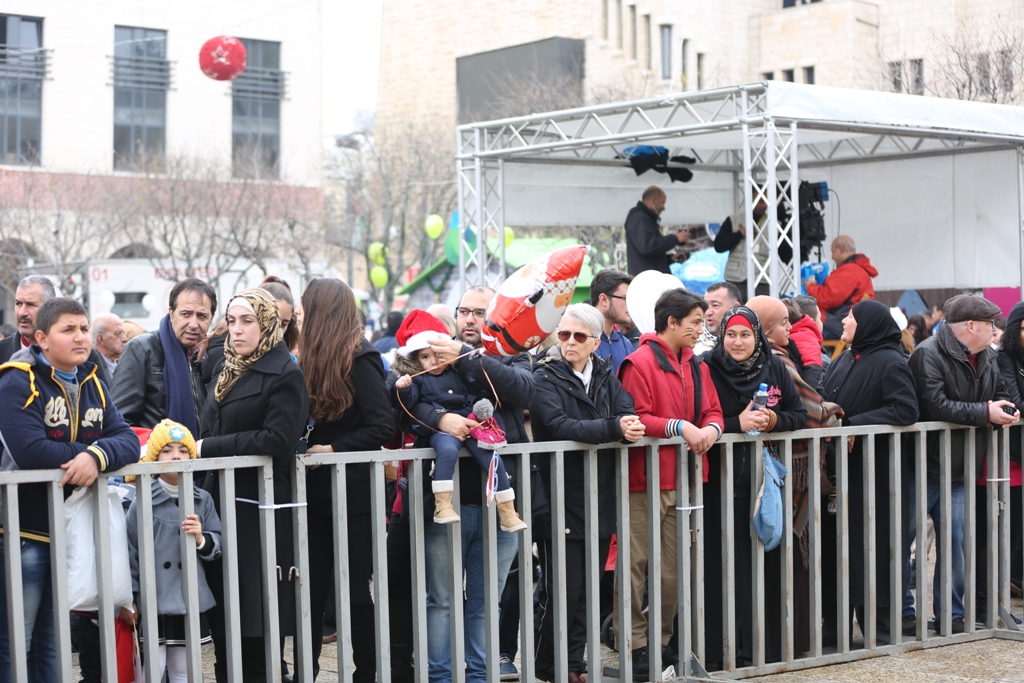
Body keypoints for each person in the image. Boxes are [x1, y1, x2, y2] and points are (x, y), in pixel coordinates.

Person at [0, 297, 138, 681]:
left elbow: (126, 439)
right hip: (24, 530)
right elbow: (30, 451)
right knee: (17, 640)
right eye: (68, 330)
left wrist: (95, 456)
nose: (81, 337)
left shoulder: (92, 377)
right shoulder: (16, 378)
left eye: (83, 328)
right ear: (42, 338)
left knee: (54, 638)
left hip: (72, 528)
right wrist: (91, 454)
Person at [529, 304, 645, 682]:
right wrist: (615, 427)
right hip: (558, 495)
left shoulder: (606, 375)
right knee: (560, 591)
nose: (569, 342)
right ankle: (550, 667)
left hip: (598, 495)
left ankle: (574, 665)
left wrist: (626, 425)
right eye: (563, 334)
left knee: (585, 592)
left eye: (579, 336)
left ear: (596, 341)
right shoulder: (544, 376)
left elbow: (627, 412)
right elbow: (560, 424)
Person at [199, 288, 309, 682]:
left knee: (257, 620)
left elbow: (277, 439)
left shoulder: (285, 371)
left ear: (267, 324)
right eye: (231, 321)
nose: (237, 330)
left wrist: (206, 448)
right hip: (219, 503)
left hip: (259, 509)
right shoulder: (226, 368)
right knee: (226, 621)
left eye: (247, 321)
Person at [616, 288, 724, 679]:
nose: (701, 328)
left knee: (672, 571)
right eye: (695, 322)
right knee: (634, 567)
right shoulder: (638, 362)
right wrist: (683, 428)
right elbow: (636, 416)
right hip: (643, 481)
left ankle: (659, 643)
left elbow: (713, 409)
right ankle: (635, 644)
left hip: (686, 478)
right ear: (672, 323)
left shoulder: (698, 366)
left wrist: (711, 428)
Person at [298, 278, 396, 680]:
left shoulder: (361, 356)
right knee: (313, 591)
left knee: (355, 591)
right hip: (317, 492)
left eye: (306, 307)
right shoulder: (310, 355)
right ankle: (308, 671)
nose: (300, 315)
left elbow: (382, 426)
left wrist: (334, 450)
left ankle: (368, 674)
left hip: (353, 494)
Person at [905, 294, 1018, 634]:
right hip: (921, 466)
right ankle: (902, 614)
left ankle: (951, 616)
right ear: (971, 326)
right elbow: (935, 405)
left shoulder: (987, 357)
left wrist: (1002, 411)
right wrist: (986, 413)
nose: (995, 330)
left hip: (961, 468)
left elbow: (1000, 393)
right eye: (990, 324)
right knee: (903, 541)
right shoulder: (927, 354)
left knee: (955, 547)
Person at [702, 304, 807, 666]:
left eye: (746, 334)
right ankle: (719, 652)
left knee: (762, 567)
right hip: (716, 484)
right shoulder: (707, 366)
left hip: (763, 487)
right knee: (720, 568)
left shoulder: (774, 364)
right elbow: (698, 420)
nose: (737, 341)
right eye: (731, 334)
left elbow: (798, 414)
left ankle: (761, 649)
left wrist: (773, 419)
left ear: (757, 336)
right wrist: (736, 423)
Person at [821, 300, 919, 642]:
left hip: (876, 477)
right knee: (837, 550)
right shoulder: (846, 356)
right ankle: (835, 631)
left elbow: (905, 409)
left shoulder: (890, 361)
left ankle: (878, 629)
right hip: (840, 471)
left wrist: (853, 425)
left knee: (873, 550)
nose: (844, 321)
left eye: (851, 317)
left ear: (869, 324)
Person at [392, 310, 526, 531]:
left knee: (489, 452)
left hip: (472, 423)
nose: (434, 362)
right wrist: (404, 390)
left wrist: (482, 407)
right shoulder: (417, 380)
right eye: (425, 357)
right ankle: (442, 505)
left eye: (438, 355)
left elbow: (479, 390)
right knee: (446, 450)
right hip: (441, 432)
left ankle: (508, 510)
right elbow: (408, 408)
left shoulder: (461, 370)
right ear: (415, 360)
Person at [125, 420, 222, 682]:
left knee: (183, 667)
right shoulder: (143, 499)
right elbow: (130, 550)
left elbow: (218, 542)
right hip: (153, 598)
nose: (176, 456)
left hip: (187, 596)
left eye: (182, 449)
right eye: (167, 450)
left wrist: (202, 539)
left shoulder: (202, 498)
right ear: (155, 456)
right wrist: (131, 597)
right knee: (153, 667)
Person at [111, 278, 216, 432]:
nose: (193, 324)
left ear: (211, 317)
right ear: (171, 313)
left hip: (205, 454)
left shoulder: (214, 356)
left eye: (202, 316)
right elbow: (119, 420)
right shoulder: (142, 349)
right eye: (186, 314)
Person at [985, 302, 1024, 620]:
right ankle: (1005, 586)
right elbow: (1015, 403)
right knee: (1009, 526)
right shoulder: (1003, 358)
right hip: (1009, 455)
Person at [0, 274, 112, 386]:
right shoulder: (2, 351)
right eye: (18, 303)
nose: (22, 312)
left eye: (30, 304)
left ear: (49, 307)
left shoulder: (84, 355)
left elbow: (103, 400)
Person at [713, 188, 792, 298]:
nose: (764, 205)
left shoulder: (775, 224)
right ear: (750, 199)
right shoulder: (733, 220)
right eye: (760, 201)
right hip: (736, 278)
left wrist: (799, 262)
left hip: (762, 279)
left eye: (766, 201)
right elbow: (718, 246)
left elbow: (786, 253)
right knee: (735, 312)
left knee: (762, 312)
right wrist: (739, 234)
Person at [803, 236, 878, 339]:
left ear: (841, 249)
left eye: (833, 252)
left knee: (803, 330)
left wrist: (810, 287)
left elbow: (828, 298)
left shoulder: (850, 271)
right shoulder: (856, 270)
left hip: (839, 325)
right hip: (847, 323)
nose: (832, 257)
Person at [624, 186, 689, 275]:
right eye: (663, 202)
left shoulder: (644, 218)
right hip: (648, 280)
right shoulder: (639, 218)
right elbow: (648, 247)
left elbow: (650, 254)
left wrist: (671, 258)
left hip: (651, 278)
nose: (664, 208)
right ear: (654, 200)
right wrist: (675, 238)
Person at [589, 269, 635, 373]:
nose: (630, 305)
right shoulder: (581, 340)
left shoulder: (626, 344)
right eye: (625, 298)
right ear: (604, 299)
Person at [782, 297, 824, 389]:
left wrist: (807, 397)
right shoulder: (800, 335)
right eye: (820, 319)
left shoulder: (804, 336)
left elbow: (813, 368)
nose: (822, 323)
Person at [694, 282, 742, 355]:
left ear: (735, 308)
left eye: (715, 305)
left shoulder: (747, 342)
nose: (707, 312)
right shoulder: (691, 341)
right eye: (705, 306)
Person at [93, 313, 128, 377]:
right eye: (118, 333)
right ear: (101, 339)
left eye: (123, 333)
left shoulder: (120, 363)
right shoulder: (92, 369)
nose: (125, 339)